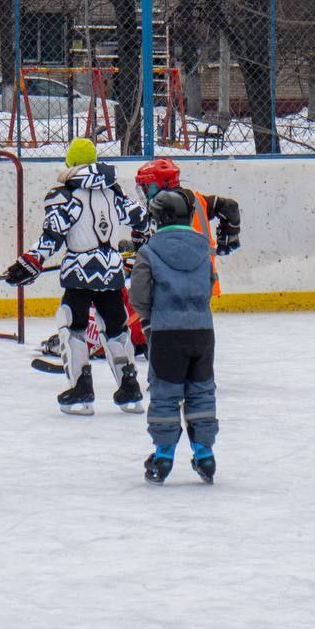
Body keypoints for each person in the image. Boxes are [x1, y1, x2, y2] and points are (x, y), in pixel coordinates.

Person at [5, 138, 148, 415]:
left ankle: (81, 391)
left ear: (70, 162)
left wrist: (30, 261)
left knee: (73, 325)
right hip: (111, 271)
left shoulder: (67, 193)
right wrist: (140, 239)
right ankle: (130, 390)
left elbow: (52, 236)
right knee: (116, 329)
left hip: (79, 273)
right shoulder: (113, 190)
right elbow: (141, 218)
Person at [128, 189, 219, 484]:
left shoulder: (150, 250)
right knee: (201, 390)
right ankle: (204, 453)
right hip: (202, 332)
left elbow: (139, 294)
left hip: (167, 333)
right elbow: (208, 285)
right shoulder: (204, 248)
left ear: (159, 219)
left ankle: (164, 455)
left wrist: (148, 319)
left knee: (165, 394)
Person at [134, 158, 241, 293]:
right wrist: (229, 237)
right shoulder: (198, 200)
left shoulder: (164, 210)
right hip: (204, 277)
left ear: (164, 183)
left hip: (177, 280)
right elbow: (230, 207)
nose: (145, 193)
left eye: (149, 187)